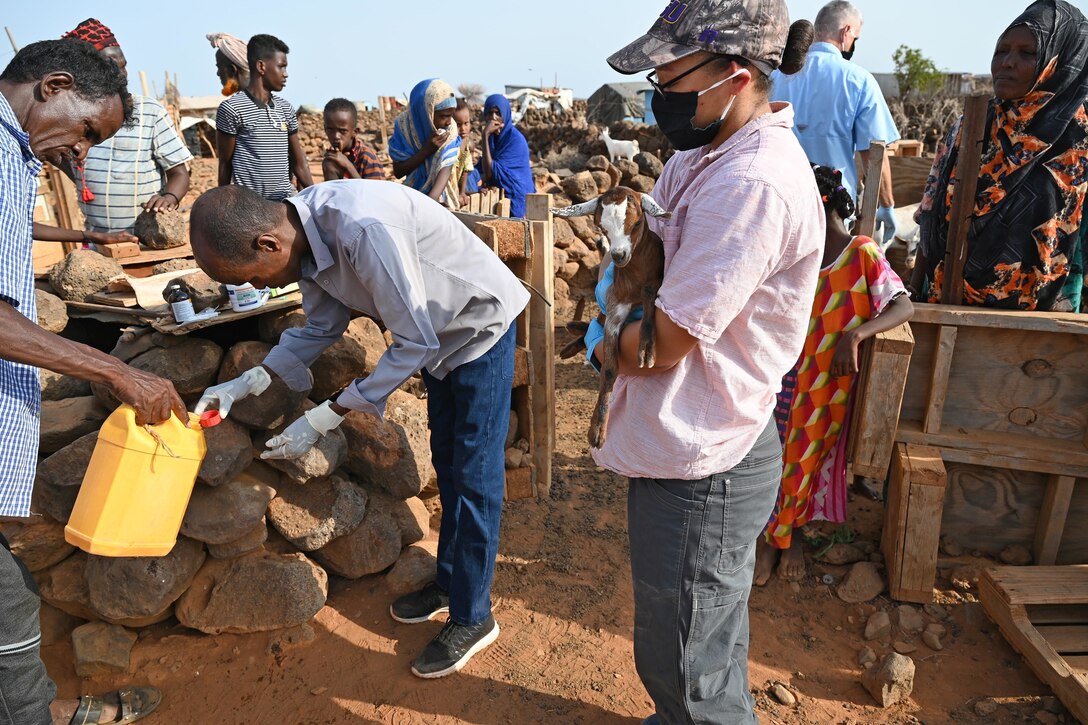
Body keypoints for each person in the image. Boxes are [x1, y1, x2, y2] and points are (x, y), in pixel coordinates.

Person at [188, 180, 529, 679]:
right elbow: (322, 328)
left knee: (475, 476)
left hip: (479, 326)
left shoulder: (361, 227)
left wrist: (329, 413)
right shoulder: (303, 243)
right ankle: (453, 582)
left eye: (253, 278)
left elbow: (413, 342)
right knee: (451, 466)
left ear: (268, 244)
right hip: (437, 339)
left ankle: (474, 616)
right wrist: (248, 381)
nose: (258, 289)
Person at [599, 2, 823, 721]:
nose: (659, 89)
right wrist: (630, 292)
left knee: (688, 656)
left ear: (732, 73)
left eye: (669, 74)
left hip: (708, 459)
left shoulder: (750, 183)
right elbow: (644, 258)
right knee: (691, 640)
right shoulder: (704, 150)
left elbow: (656, 346)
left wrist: (607, 338)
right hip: (689, 439)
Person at [0, 39, 184, 725]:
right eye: (85, 133)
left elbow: (10, 228)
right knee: (11, 609)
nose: (79, 155)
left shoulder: (13, 152)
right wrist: (116, 370)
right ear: (53, 85)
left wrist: (80, 239)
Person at [754, 164, 914, 586]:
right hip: (786, 375)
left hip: (827, 385)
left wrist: (855, 335)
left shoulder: (861, 252)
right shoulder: (799, 255)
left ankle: (780, 541)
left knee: (802, 461)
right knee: (775, 458)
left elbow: (902, 304)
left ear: (819, 202)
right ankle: (780, 535)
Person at [912, 0, 1088, 312]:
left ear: (1059, 60)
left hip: (1045, 326)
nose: (1007, 62)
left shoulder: (1079, 139)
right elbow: (930, 210)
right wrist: (914, 290)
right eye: (1002, 50)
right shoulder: (972, 124)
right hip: (946, 304)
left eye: (1027, 53)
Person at [770, 1, 901, 246]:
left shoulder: (776, 76)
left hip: (778, 201)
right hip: (833, 208)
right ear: (846, 32)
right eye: (856, 37)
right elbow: (874, 153)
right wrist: (887, 204)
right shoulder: (859, 80)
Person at [50, 19, 192, 238]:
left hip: (148, 240)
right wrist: (81, 178)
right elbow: (53, 154)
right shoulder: (72, 116)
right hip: (100, 242)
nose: (122, 73)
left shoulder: (149, 111)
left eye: (123, 65)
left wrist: (169, 197)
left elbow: (179, 172)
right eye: (111, 65)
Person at [216, 34, 313, 201]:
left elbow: (299, 162)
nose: (286, 74)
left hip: (284, 202)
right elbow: (225, 164)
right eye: (281, 67)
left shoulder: (285, 108)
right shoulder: (232, 109)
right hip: (249, 206)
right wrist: (223, 204)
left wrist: (315, 196)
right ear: (261, 67)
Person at [388, 79, 461, 207]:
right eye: (443, 116)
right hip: (411, 196)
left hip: (438, 200)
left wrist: (429, 206)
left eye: (451, 115)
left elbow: (446, 169)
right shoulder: (404, 126)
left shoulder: (449, 130)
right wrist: (427, 150)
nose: (449, 121)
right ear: (426, 112)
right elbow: (398, 171)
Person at [478, 94, 535, 218]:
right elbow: (483, 169)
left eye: (498, 113)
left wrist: (485, 135)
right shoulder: (493, 139)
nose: (493, 118)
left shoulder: (515, 140)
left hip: (517, 193)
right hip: (499, 191)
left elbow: (490, 173)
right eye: (490, 113)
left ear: (505, 115)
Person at [321, 98, 385, 181]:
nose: (336, 136)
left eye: (343, 131)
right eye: (330, 130)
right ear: (325, 129)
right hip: (342, 194)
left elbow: (374, 193)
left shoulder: (367, 157)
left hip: (366, 194)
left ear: (354, 132)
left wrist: (348, 165)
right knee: (329, 164)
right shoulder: (333, 157)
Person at [451, 99, 479, 207]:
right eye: (458, 125)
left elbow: (465, 170)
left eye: (466, 123)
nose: (463, 128)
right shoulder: (450, 145)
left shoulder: (465, 144)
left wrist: (462, 192)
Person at [207, 32, 250, 96]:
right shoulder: (269, 101)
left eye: (219, 68)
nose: (218, 73)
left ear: (232, 70)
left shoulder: (230, 105)